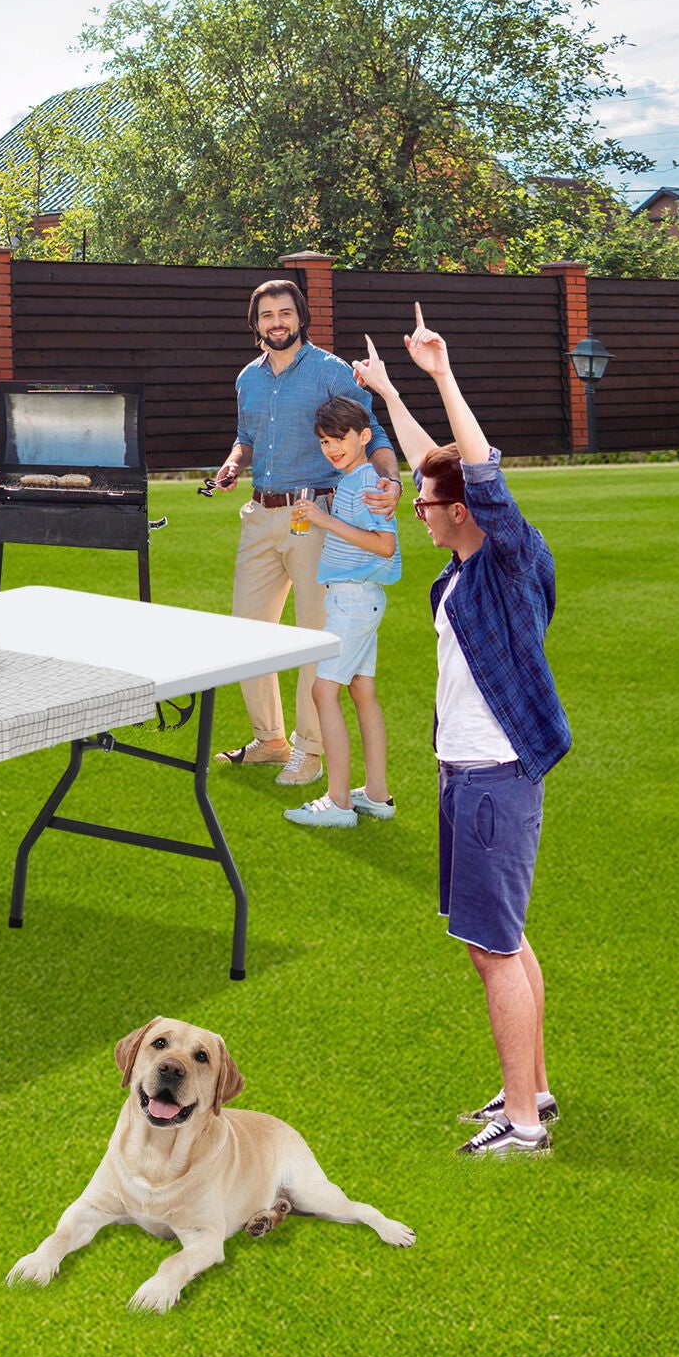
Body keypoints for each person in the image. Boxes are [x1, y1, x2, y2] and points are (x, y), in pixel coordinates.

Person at [353, 313, 569, 1157]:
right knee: (506, 940)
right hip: (464, 773)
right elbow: (433, 464)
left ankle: (521, 1127)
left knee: (493, 951)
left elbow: (476, 472)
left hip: (493, 774)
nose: (416, 504)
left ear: (465, 512)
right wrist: (387, 391)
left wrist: (441, 375)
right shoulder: (462, 567)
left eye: (428, 502)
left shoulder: (506, 563)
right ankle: (534, 1094)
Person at [209, 279, 402, 787]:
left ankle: (309, 750)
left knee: (314, 636)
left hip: (312, 514)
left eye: (285, 313)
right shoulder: (247, 379)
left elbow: (374, 433)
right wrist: (232, 464)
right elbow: (245, 438)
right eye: (268, 315)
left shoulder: (330, 372)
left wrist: (392, 480)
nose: (277, 322)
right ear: (256, 324)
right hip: (259, 514)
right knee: (247, 634)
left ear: (301, 317)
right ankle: (270, 741)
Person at [282, 395, 400, 829]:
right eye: (325, 441)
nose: (332, 448)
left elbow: (384, 545)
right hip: (356, 599)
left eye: (340, 439)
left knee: (323, 691)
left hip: (354, 602)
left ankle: (338, 803)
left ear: (365, 436)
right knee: (361, 691)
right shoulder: (352, 479)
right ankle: (376, 795)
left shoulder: (366, 481)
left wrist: (323, 520)